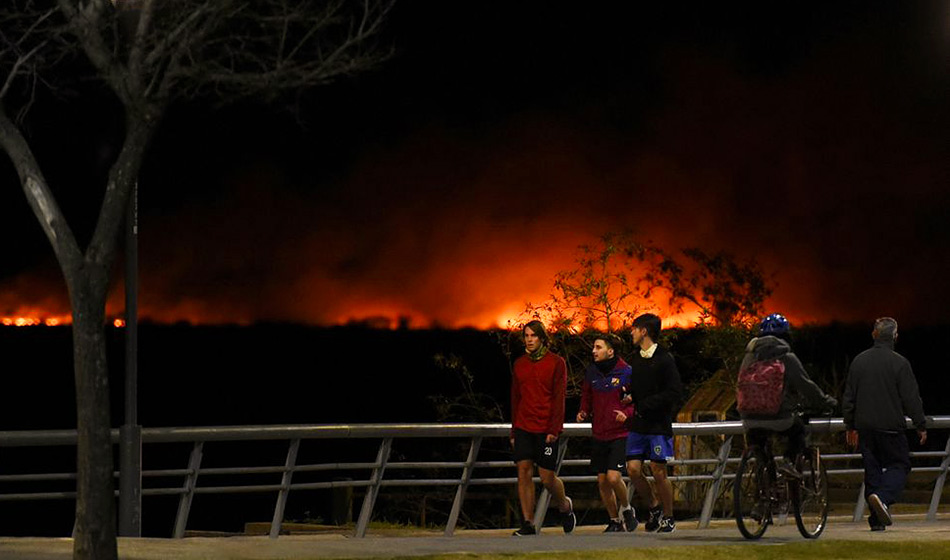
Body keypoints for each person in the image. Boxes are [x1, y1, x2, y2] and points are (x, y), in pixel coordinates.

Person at [842, 317, 927, 531]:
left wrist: (850, 425)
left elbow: (849, 397)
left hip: (865, 428)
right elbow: (911, 398)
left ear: (874, 334)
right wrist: (920, 424)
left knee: (872, 470)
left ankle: (876, 521)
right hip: (891, 427)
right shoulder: (900, 363)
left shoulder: (859, 361)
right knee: (900, 465)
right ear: (895, 337)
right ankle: (883, 497)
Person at [738, 313, 837, 479]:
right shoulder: (787, 357)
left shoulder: (749, 357)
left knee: (759, 441)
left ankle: (762, 480)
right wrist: (826, 402)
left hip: (748, 418)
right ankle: (787, 461)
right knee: (798, 430)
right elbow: (806, 386)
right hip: (779, 418)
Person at [616, 313, 683, 533]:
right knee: (633, 469)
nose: (632, 332)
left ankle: (669, 516)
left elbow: (674, 392)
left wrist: (648, 403)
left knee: (658, 470)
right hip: (639, 423)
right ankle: (654, 507)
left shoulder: (664, 358)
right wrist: (630, 396)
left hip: (658, 425)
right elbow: (637, 390)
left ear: (644, 331)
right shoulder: (635, 359)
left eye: (635, 328)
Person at [509, 320, 575, 536]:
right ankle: (528, 523)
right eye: (526, 336)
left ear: (542, 338)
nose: (529, 339)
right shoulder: (519, 364)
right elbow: (515, 399)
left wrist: (554, 429)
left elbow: (558, 399)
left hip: (546, 428)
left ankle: (565, 506)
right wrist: (513, 430)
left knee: (547, 478)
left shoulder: (556, 363)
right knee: (523, 472)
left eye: (533, 335)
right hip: (523, 426)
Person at [577, 333, 637, 532]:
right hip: (599, 433)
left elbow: (636, 400)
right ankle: (614, 520)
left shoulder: (626, 372)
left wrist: (627, 413)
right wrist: (583, 411)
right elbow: (586, 394)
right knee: (602, 481)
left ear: (610, 351)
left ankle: (627, 509)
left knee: (613, 477)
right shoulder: (592, 372)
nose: (593, 351)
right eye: (594, 347)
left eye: (598, 347)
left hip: (619, 434)